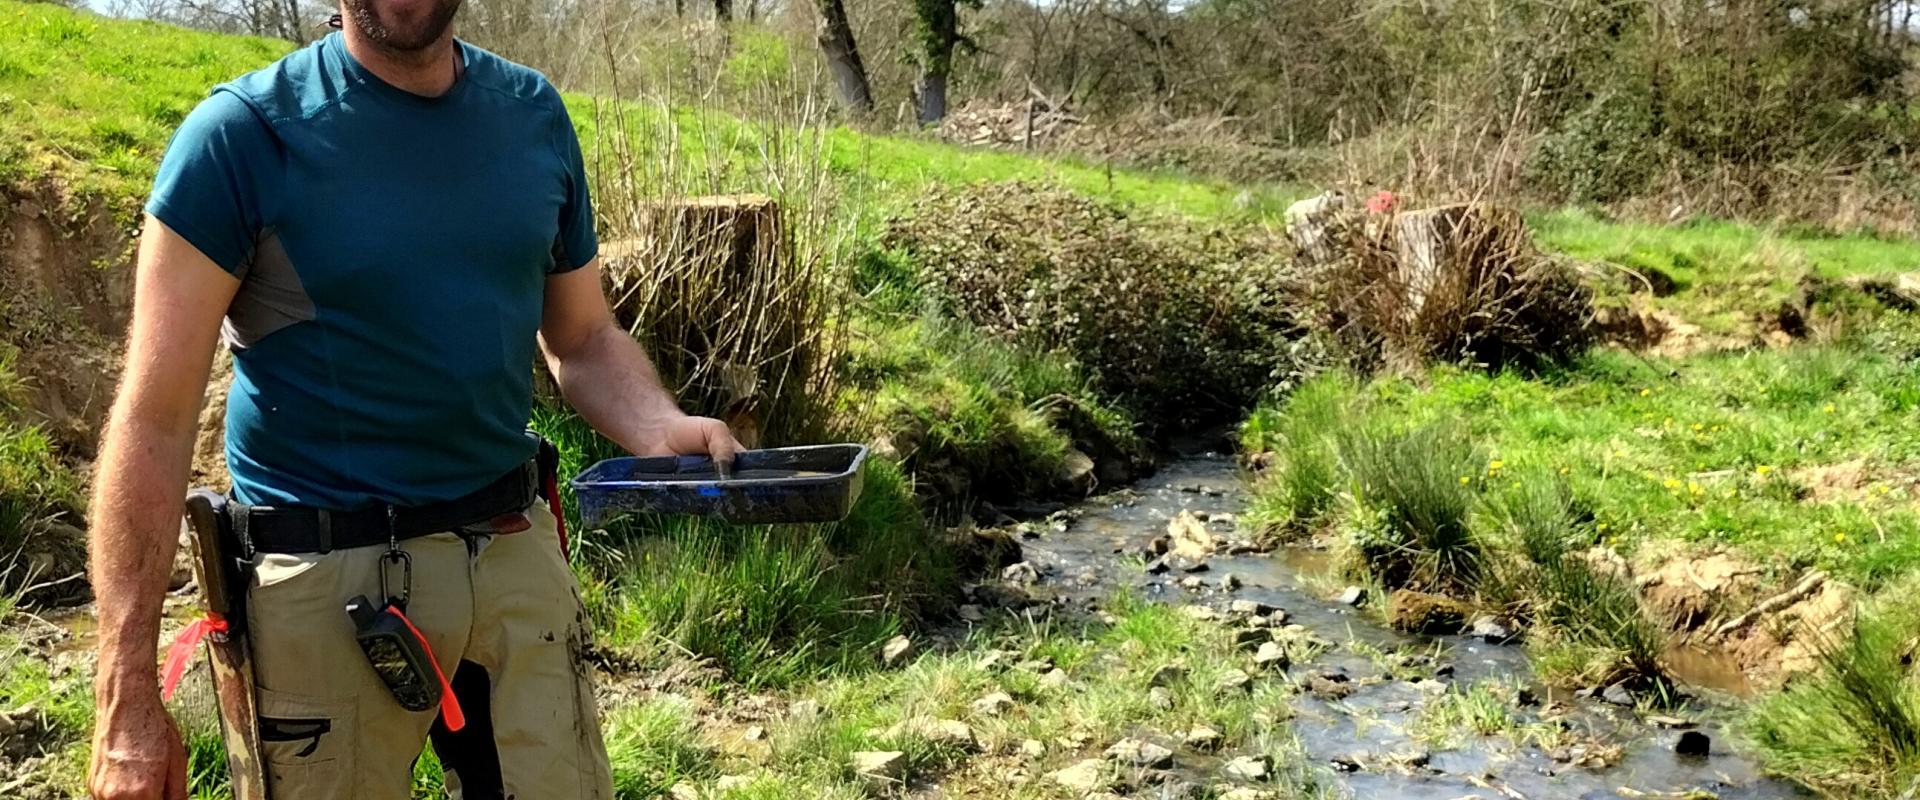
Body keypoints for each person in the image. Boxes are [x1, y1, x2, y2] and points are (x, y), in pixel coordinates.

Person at [84, 1, 741, 797]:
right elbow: (153, 419)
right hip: (325, 585)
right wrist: (125, 697)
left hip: (510, 556)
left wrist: (659, 425)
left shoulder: (531, 116)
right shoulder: (242, 138)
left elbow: (583, 338)